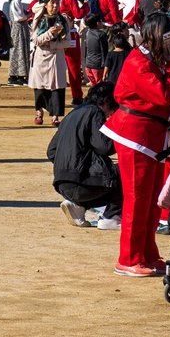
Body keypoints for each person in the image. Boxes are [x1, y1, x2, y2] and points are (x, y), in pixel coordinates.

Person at [105, 15, 170, 276]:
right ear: (160, 36)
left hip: (153, 135)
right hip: (136, 136)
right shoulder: (139, 63)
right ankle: (128, 259)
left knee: (152, 200)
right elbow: (164, 95)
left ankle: (147, 253)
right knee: (136, 199)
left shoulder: (151, 60)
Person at [47, 81, 121, 230]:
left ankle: (78, 206)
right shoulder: (95, 112)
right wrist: (119, 137)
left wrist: (72, 161)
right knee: (125, 171)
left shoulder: (72, 113)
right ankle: (112, 217)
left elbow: (51, 151)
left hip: (62, 183)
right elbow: (103, 147)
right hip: (82, 183)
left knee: (104, 174)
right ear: (107, 100)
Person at [28, 0, 70, 127]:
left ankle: (55, 116)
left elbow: (68, 42)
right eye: (52, 3)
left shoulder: (63, 20)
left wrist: (53, 43)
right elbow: (36, 40)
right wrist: (49, 34)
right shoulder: (39, 20)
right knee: (40, 87)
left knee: (57, 87)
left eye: (58, 3)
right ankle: (39, 112)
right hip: (41, 57)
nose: (55, 6)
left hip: (56, 57)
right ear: (45, 5)